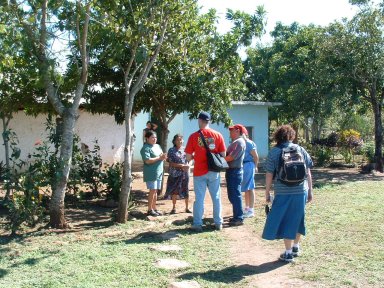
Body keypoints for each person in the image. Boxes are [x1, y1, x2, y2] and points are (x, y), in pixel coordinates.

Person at [262, 124, 313, 262]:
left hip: (283, 191)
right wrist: (310, 191)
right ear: (292, 136)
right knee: (298, 218)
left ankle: (288, 253)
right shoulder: (300, 149)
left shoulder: (274, 152)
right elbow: (308, 171)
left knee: (286, 219)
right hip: (301, 190)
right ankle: (296, 246)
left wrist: (267, 192)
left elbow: (269, 174)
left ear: (277, 136)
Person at [185, 111, 226, 231]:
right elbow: (223, 154)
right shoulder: (218, 135)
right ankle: (218, 223)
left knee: (199, 198)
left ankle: (197, 224)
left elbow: (187, 157)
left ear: (200, 120)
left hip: (199, 171)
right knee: (216, 197)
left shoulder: (193, 136)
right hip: (214, 171)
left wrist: (196, 156)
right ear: (209, 121)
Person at [140, 130, 167, 217]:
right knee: (152, 190)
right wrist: (159, 158)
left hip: (159, 172)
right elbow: (147, 161)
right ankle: (149, 209)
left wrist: (163, 157)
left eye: (155, 137)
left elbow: (161, 155)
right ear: (147, 138)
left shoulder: (158, 146)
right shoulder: (145, 148)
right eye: (152, 137)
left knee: (155, 191)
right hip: (151, 172)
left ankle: (154, 208)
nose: (154, 139)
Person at [164, 134, 191, 214]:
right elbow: (171, 163)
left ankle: (187, 208)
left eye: (181, 139)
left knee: (185, 189)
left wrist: (189, 165)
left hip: (184, 173)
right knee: (175, 191)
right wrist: (181, 166)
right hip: (174, 173)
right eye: (178, 140)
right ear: (174, 141)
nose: (180, 141)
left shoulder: (186, 149)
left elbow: (190, 158)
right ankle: (174, 208)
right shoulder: (171, 150)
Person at [224, 124, 246, 226]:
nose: (230, 132)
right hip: (232, 171)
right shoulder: (236, 142)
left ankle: (238, 218)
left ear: (237, 131)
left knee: (235, 195)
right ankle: (236, 216)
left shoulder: (239, 142)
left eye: (232, 130)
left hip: (235, 171)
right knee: (233, 195)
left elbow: (231, 157)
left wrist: (219, 160)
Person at [240, 126, 259, 218]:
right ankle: (247, 208)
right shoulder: (241, 143)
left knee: (250, 187)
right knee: (246, 188)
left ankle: (251, 210)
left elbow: (256, 156)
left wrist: (255, 166)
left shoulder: (249, 143)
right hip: (243, 165)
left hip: (249, 165)